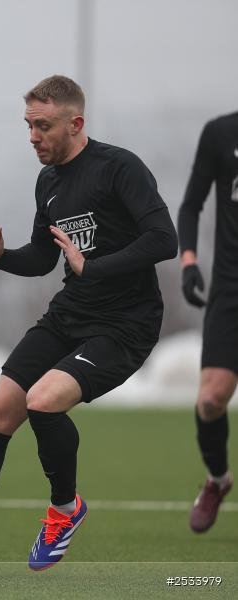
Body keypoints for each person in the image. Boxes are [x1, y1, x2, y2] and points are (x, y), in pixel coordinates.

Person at [0, 75, 177, 575]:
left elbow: (163, 239)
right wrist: (0, 258)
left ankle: (65, 512)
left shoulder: (118, 168)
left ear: (75, 123)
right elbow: (44, 258)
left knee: (42, 401)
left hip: (125, 326)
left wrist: (96, 267)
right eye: (28, 125)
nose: (33, 137)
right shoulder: (49, 183)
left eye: (43, 126)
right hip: (69, 315)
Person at [178, 110, 238, 533]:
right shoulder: (220, 133)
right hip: (230, 289)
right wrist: (189, 261)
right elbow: (192, 204)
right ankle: (218, 481)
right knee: (210, 400)